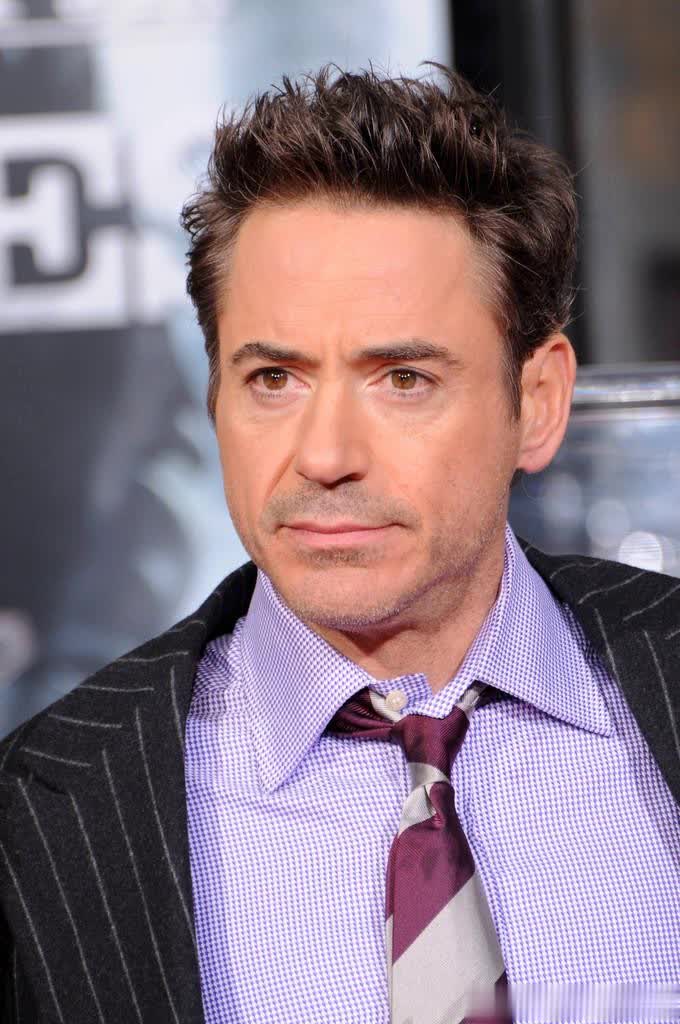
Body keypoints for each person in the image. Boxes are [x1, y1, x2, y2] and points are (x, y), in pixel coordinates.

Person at [0, 63, 678, 1024]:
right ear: (214, 397)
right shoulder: (42, 814)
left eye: (403, 379)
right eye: (274, 379)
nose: (324, 457)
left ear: (536, 402)